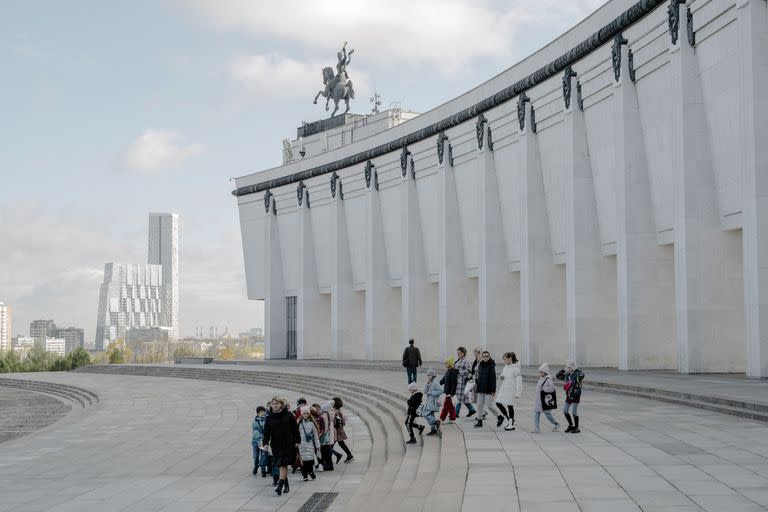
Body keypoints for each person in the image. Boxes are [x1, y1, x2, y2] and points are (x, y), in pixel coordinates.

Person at [262, 397, 300, 496]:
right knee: (279, 464)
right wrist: (265, 442)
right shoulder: (269, 417)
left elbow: (295, 429)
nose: (274, 405)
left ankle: (280, 486)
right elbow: (266, 431)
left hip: (288, 443)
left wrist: (297, 440)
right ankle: (286, 485)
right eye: (273, 403)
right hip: (275, 444)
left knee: (283, 464)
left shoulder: (288, 415)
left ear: (281, 405)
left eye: (277, 403)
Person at [474, 351, 504, 428]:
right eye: (484, 356)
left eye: (487, 356)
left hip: (488, 389)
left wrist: (493, 390)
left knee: (489, 405)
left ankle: (500, 416)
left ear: (489, 357)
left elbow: (493, 379)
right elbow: (480, 376)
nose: (486, 357)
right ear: (482, 357)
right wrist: (475, 381)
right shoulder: (480, 365)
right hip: (480, 387)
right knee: (479, 405)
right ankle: (479, 420)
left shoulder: (491, 365)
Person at [556, 361, 585, 433]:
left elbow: (582, 375)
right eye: (567, 367)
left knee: (574, 412)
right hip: (569, 395)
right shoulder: (567, 375)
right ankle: (570, 425)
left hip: (576, 395)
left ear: (573, 368)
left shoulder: (577, 374)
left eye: (569, 367)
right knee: (565, 411)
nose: (568, 369)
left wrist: (576, 370)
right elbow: (558, 376)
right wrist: (563, 370)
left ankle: (576, 427)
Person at [496, 352, 522, 431]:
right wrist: (501, 377)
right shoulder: (506, 367)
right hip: (504, 389)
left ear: (510, 358)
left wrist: (518, 393)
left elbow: (519, 381)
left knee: (510, 406)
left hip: (511, 390)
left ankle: (511, 424)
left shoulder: (516, 369)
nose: (504, 361)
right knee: (498, 403)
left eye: (505, 359)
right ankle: (508, 418)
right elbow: (502, 375)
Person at [532, 363, 560, 433]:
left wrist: (544, 388)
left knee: (548, 415)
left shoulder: (548, 379)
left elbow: (552, 388)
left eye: (541, 372)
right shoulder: (541, 378)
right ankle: (537, 428)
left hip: (545, 400)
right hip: (539, 400)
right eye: (539, 372)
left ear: (545, 372)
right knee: (536, 413)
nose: (540, 373)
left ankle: (556, 423)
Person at [297, 406, 320, 481]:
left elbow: (315, 435)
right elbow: (295, 434)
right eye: (304, 413)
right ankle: (305, 475)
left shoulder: (312, 423)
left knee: (310, 460)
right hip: (301, 444)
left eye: (307, 413)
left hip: (309, 444)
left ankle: (310, 471)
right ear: (302, 414)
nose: (306, 415)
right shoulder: (298, 423)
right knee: (302, 460)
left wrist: (317, 445)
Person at [454, 346, 476, 418]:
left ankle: (456, 413)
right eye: (457, 353)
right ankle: (471, 410)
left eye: (459, 353)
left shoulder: (466, 361)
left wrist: (459, 372)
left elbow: (469, 370)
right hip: (458, 381)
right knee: (463, 398)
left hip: (462, 381)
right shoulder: (458, 360)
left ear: (463, 353)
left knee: (459, 398)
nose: (458, 354)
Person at [331, 397, 354, 464]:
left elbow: (333, 420)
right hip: (339, 429)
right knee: (341, 444)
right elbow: (343, 422)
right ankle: (349, 455)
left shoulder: (335, 411)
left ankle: (329, 460)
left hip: (336, 430)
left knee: (331, 445)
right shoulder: (339, 410)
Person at [422, 368, 443, 436]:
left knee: (426, 414)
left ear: (432, 376)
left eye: (429, 375)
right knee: (430, 416)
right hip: (429, 402)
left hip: (433, 402)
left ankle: (435, 422)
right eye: (427, 375)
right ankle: (433, 429)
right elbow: (425, 392)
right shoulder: (429, 383)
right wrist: (427, 385)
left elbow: (440, 391)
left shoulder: (435, 383)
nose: (428, 376)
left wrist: (432, 392)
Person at [439, 357, 458, 424]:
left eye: (446, 363)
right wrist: (441, 382)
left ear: (450, 364)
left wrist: (452, 393)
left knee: (446, 406)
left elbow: (454, 383)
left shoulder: (453, 372)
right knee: (451, 406)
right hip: (447, 391)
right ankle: (452, 419)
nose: (445, 364)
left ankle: (442, 419)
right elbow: (445, 378)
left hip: (450, 392)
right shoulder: (448, 371)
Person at [319, 401, 337, 470]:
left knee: (326, 451)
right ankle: (328, 464)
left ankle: (329, 465)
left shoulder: (325, 415)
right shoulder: (330, 413)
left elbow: (325, 426)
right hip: (330, 434)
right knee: (327, 450)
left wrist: (321, 434)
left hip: (326, 436)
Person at [251, 406, 269, 476]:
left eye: (263, 412)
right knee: (255, 457)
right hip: (256, 441)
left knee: (263, 455)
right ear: (258, 413)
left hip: (264, 442)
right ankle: (255, 466)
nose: (263, 413)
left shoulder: (267, 420)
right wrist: (261, 437)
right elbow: (255, 433)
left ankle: (263, 471)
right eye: (261, 412)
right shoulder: (255, 422)